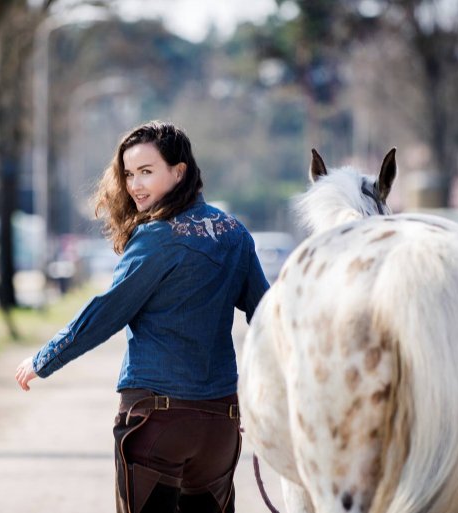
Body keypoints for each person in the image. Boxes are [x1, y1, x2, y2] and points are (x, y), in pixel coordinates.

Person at [15, 120, 269, 513]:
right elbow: (267, 318)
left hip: (158, 421)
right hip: (220, 426)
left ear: (179, 171)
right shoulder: (234, 233)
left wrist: (43, 359)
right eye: (129, 174)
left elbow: (107, 312)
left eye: (146, 172)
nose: (134, 185)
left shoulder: (157, 236)